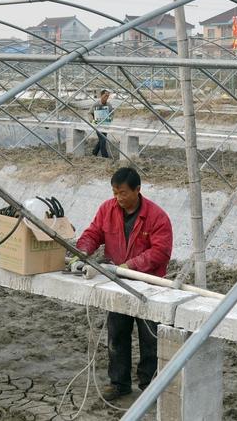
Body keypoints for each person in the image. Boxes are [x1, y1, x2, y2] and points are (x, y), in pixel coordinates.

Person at [72, 167, 173, 400]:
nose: (118, 197)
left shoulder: (157, 217)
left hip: (149, 285)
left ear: (138, 190)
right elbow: (93, 233)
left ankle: (150, 385)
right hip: (116, 282)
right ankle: (119, 383)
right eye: (115, 192)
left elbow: (160, 252)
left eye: (123, 193)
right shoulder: (107, 209)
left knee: (150, 337)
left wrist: (130, 266)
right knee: (117, 334)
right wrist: (81, 251)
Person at [88, 89, 113, 158]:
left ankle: (94, 152)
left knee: (102, 139)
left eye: (107, 96)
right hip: (98, 125)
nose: (106, 98)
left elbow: (112, 114)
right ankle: (105, 156)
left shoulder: (109, 105)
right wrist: (93, 122)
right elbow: (90, 113)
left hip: (105, 125)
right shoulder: (96, 104)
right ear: (101, 96)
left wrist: (110, 120)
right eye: (105, 96)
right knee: (103, 139)